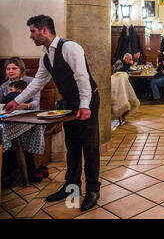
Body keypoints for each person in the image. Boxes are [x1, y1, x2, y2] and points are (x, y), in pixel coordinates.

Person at [5, 15, 101, 211]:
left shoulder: (70, 48)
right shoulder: (46, 54)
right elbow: (38, 83)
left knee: (90, 146)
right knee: (72, 146)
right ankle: (72, 187)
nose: (31, 36)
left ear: (44, 30)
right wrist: (16, 101)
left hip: (88, 100)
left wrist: (84, 106)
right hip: (68, 104)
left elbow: (82, 78)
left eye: (32, 31)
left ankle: (93, 189)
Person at [1, 57, 45, 185]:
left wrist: (24, 106)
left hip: (30, 116)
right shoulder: (4, 86)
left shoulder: (30, 82)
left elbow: (36, 101)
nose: (11, 71)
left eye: (14, 68)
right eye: (8, 69)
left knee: (21, 136)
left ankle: (29, 170)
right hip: (11, 117)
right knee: (6, 135)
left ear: (21, 69)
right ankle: (9, 173)